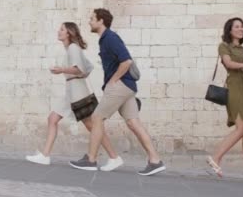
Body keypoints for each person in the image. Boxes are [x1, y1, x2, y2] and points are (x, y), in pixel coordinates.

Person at [69, 9, 165, 175]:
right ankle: (155, 160)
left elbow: (126, 61)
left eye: (92, 19)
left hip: (121, 85)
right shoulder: (105, 39)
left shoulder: (110, 38)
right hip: (127, 86)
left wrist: (113, 81)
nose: (89, 21)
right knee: (133, 122)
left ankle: (91, 159)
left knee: (97, 117)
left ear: (101, 21)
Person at [26, 22, 124, 172]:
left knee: (92, 126)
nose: (59, 31)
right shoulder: (71, 49)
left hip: (78, 91)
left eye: (62, 29)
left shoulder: (73, 48)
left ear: (69, 33)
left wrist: (61, 70)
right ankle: (45, 156)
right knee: (52, 119)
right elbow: (88, 68)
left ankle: (114, 157)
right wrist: (74, 74)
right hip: (72, 91)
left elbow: (80, 69)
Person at [206, 18, 243, 181]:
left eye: (242, 26)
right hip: (234, 89)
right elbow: (229, 64)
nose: (241, 29)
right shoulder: (224, 46)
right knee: (242, 128)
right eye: (237, 26)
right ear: (230, 30)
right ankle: (215, 158)